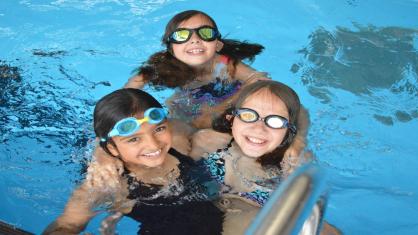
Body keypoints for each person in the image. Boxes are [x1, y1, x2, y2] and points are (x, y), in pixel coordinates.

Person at [124, 9, 308, 158]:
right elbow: (127, 95)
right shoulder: (160, 67)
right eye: (181, 35)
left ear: (217, 44)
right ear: (171, 47)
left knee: (209, 137)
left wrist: (298, 141)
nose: (194, 39)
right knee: (175, 135)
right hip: (187, 109)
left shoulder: (226, 64)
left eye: (205, 33)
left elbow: (263, 84)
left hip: (225, 106)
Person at [42, 88, 224, 235]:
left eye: (159, 129)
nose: (154, 145)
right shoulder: (107, 182)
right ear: (112, 148)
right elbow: (67, 224)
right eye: (134, 139)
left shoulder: (177, 136)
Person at [189, 80, 339, 235]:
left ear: (288, 131)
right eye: (248, 115)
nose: (259, 128)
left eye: (275, 121)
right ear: (231, 118)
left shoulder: (294, 162)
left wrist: (298, 142)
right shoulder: (207, 142)